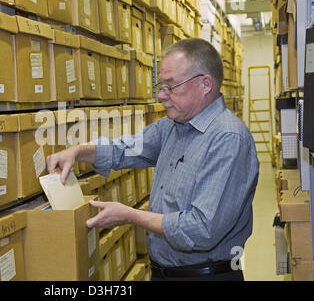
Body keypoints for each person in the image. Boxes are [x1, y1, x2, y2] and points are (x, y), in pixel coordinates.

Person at [46, 38, 259, 281]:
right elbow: (125, 148)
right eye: (160, 86)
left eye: (171, 86)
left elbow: (202, 228)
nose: (161, 95)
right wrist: (78, 151)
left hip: (206, 276)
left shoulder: (228, 139)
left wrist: (132, 216)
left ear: (205, 84)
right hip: (163, 273)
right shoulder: (173, 126)